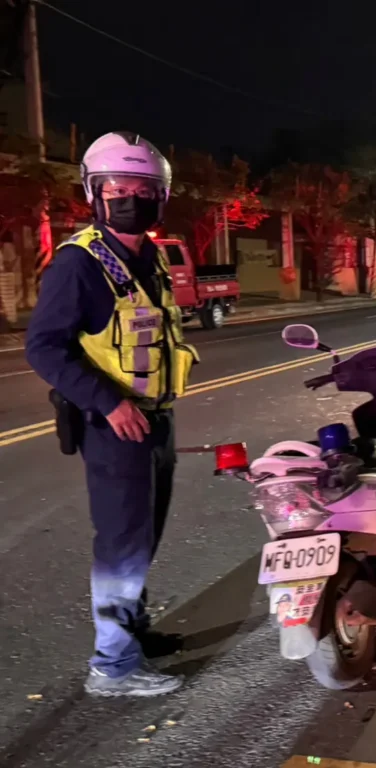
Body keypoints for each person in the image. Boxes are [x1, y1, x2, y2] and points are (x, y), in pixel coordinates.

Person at [25, 132, 198, 697]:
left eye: (141, 188)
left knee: (143, 536)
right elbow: (45, 347)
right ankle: (113, 666)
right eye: (116, 187)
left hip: (156, 418)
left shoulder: (148, 257)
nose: (129, 197)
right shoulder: (78, 263)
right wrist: (110, 402)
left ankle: (134, 633)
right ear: (95, 195)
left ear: (160, 196)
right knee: (122, 542)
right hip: (114, 426)